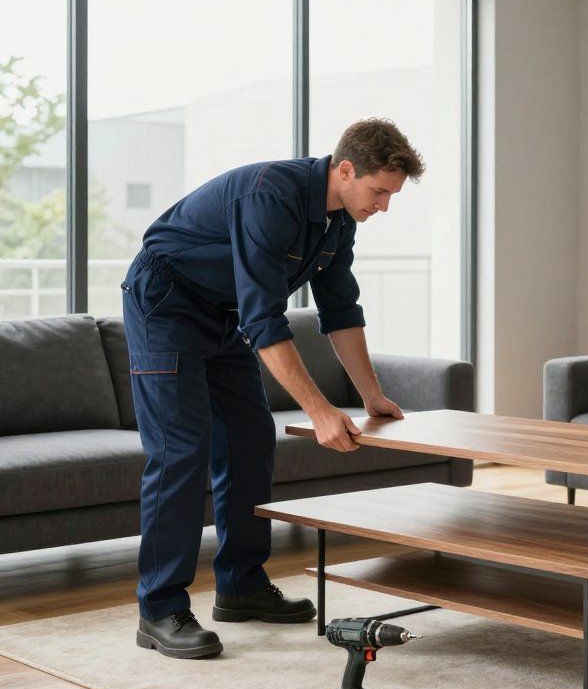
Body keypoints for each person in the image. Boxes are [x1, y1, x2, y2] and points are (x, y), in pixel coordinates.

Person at [123, 118, 424, 659]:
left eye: (391, 196)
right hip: (165, 302)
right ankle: (159, 607)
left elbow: (341, 310)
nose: (383, 205)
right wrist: (320, 408)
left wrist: (371, 394)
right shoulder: (272, 196)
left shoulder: (337, 223)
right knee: (180, 451)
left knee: (250, 440)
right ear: (346, 169)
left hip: (222, 311)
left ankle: (240, 585)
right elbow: (265, 319)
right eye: (380, 191)